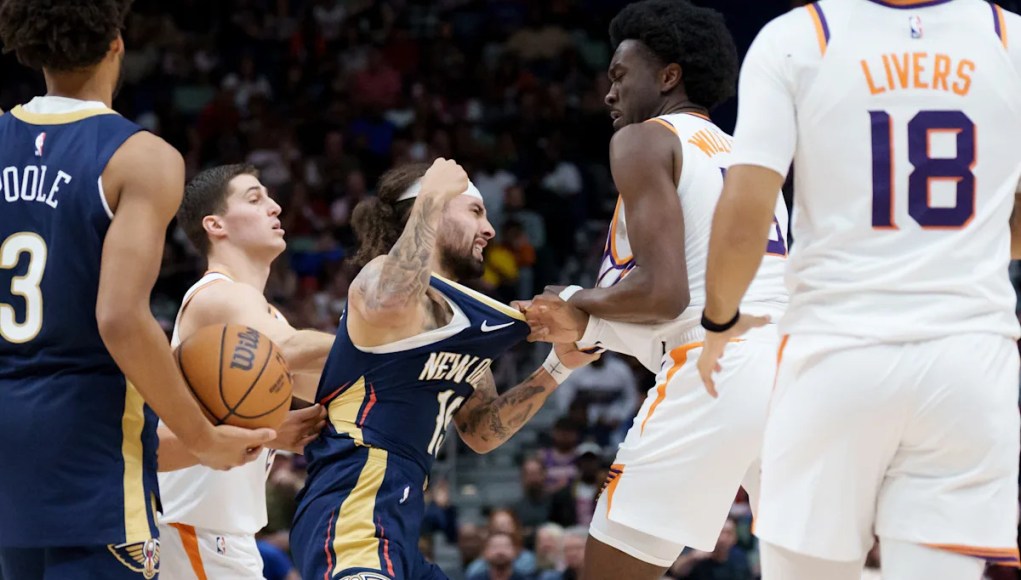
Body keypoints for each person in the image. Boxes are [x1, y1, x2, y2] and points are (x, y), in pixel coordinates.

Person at [697, 1, 1021, 579]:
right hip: (969, 360)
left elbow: (747, 210)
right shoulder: (1009, 37)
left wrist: (719, 321)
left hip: (836, 350)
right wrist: (970, 242)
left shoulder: (798, 36)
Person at [0, 2, 273, 578]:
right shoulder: (142, 158)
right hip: (88, 446)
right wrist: (201, 439)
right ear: (116, 43)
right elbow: (120, 318)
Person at [522, 1, 787, 579]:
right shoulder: (746, 154)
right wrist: (589, 321)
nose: (609, 93)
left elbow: (665, 295)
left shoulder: (645, 140)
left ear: (669, 76)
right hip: (796, 373)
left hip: (716, 369)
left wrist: (575, 298)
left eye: (620, 75)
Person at [289, 159, 598, 580]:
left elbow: (480, 431)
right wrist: (432, 195)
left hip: (398, 517)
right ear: (430, 209)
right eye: (475, 211)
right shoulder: (379, 278)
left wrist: (557, 367)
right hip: (353, 504)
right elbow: (393, 301)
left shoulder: (459, 326)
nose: (489, 229)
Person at [157, 164, 333, 578]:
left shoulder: (264, 312)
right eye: (255, 199)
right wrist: (406, 343)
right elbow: (289, 349)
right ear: (215, 225)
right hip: (195, 531)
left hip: (217, 538)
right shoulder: (218, 295)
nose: (274, 207)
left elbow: (332, 382)